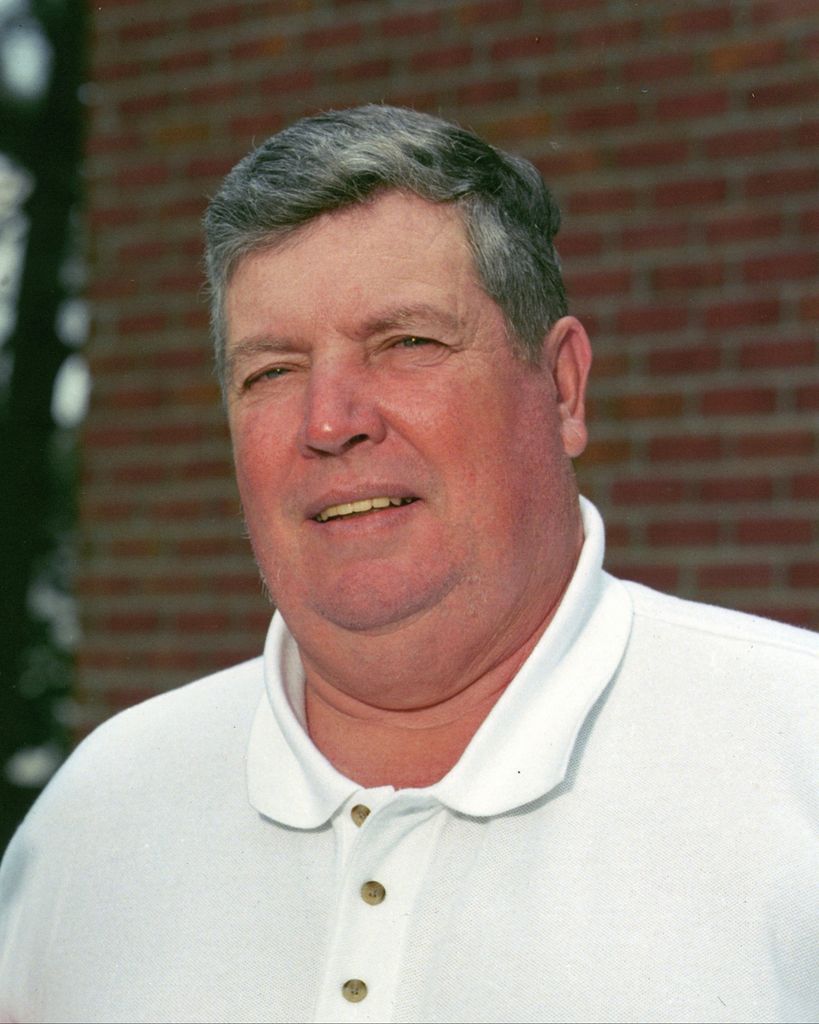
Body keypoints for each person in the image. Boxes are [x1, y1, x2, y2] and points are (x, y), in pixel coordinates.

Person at [0, 105, 816, 1024]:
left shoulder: (796, 757)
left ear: (561, 388)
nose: (329, 420)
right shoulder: (98, 817)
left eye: (406, 344)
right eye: (272, 370)